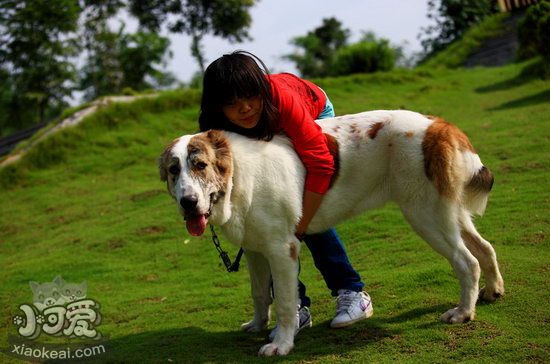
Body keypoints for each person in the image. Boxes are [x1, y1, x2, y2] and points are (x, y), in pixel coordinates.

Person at [198, 50, 373, 338]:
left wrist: (301, 226)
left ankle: (352, 291)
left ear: (261, 88)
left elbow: (321, 163)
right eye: (232, 103)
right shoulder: (214, 128)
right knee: (264, 222)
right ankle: (295, 307)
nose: (244, 108)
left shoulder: (282, 100)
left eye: (250, 96)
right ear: (218, 107)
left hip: (312, 112)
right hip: (263, 130)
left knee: (299, 207)